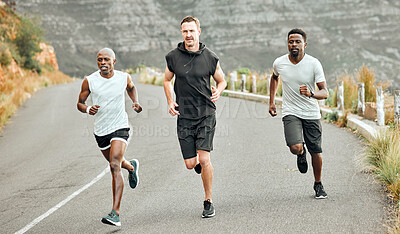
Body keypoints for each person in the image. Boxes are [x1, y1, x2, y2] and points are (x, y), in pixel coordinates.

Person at [163, 16, 226, 218]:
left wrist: (219, 91)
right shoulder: (173, 57)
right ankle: (197, 162)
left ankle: (208, 201)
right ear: (181, 33)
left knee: (205, 159)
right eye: (185, 31)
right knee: (191, 163)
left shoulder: (210, 57)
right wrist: (170, 100)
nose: (188, 35)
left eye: (191, 30)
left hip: (206, 114)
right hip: (185, 116)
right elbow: (166, 80)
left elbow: (222, 80)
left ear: (199, 31)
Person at [77, 48, 142, 226]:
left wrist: (135, 102)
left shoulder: (123, 77)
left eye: (106, 60)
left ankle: (116, 213)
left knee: (114, 165)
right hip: (101, 131)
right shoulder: (90, 81)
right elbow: (80, 103)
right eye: (99, 60)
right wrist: (87, 109)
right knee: (116, 162)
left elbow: (131, 87)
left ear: (114, 61)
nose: (102, 63)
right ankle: (131, 166)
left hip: (120, 126)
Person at [269, 28, 329, 199]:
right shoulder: (279, 63)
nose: (293, 44)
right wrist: (272, 102)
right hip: (291, 111)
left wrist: (311, 94)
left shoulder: (313, 63)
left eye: (297, 41)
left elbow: (325, 92)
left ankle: (318, 184)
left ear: (305, 44)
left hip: (311, 112)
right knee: (295, 147)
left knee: (316, 151)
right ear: (287, 44)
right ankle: (300, 153)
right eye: (291, 41)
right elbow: (274, 78)